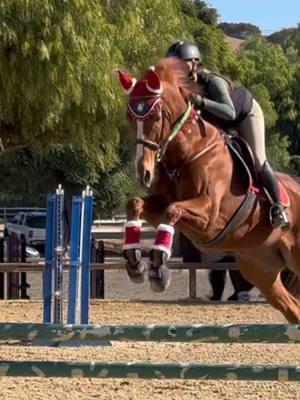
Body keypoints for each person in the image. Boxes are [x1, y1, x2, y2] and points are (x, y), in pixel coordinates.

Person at [165, 41, 290, 230]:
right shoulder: (181, 88)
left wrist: (200, 101)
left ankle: (278, 208)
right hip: (221, 123)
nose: (176, 70)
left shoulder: (211, 81)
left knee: (258, 159)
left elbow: (229, 112)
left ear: (193, 63)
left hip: (243, 114)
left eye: (180, 64)